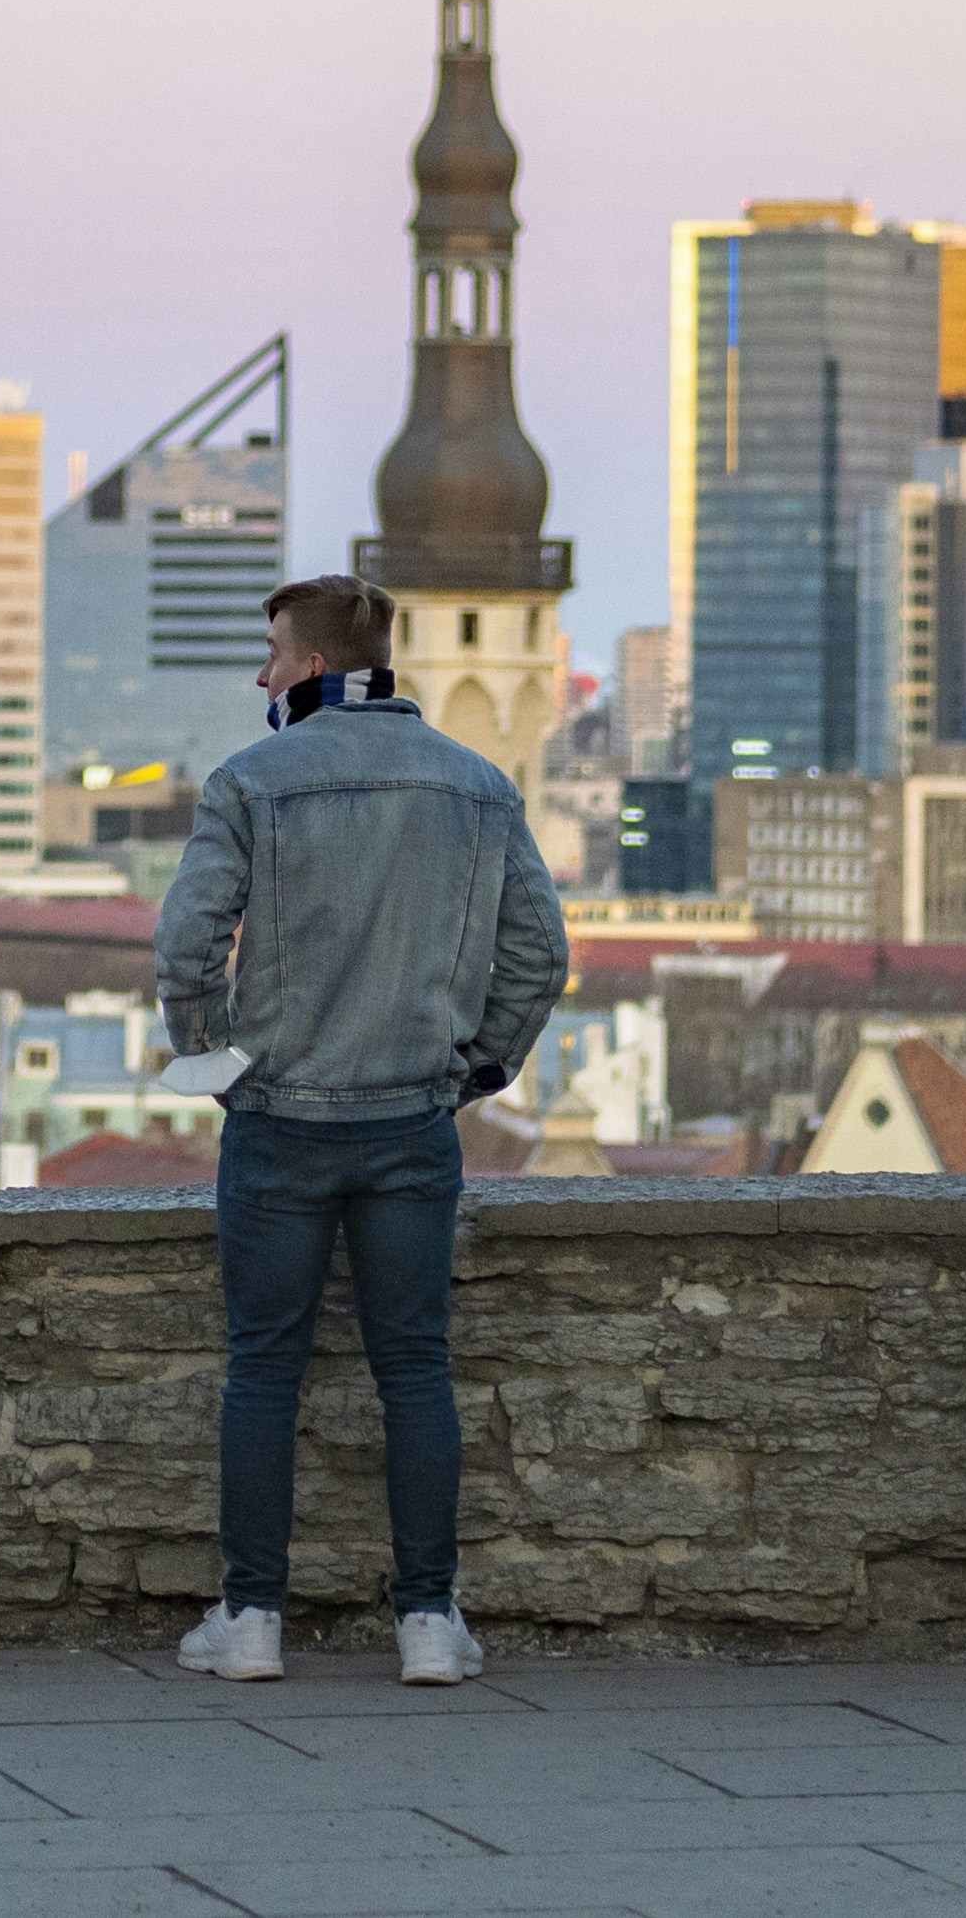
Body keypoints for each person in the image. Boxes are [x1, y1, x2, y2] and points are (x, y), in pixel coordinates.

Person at [152, 570, 571, 1687]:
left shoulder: (248, 780)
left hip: (279, 1117)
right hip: (409, 1118)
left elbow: (185, 945)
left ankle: (250, 1620)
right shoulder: (477, 784)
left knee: (263, 1369)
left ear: (314, 665)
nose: (261, 678)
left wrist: (212, 1058)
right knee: (414, 1368)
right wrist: (476, 1066)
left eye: (272, 655)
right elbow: (541, 954)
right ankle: (427, 1621)